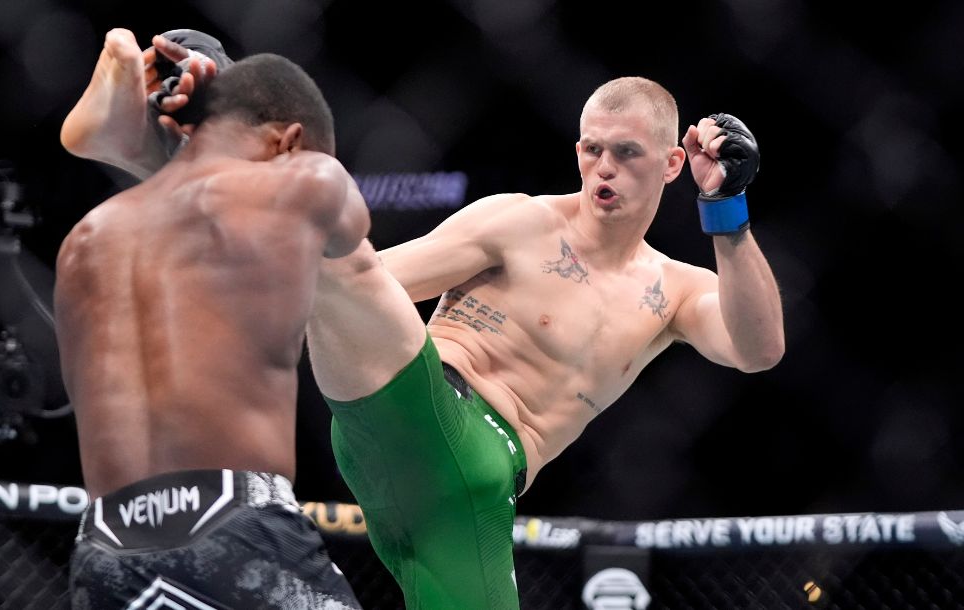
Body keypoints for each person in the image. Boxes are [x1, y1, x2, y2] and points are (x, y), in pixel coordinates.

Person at [71, 34, 785, 609]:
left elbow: (758, 350)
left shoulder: (674, 289)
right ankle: (195, 128)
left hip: (476, 495)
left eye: (626, 153)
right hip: (414, 402)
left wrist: (727, 215)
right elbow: (383, 280)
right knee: (338, 261)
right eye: (592, 148)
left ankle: (168, 152)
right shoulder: (518, 221)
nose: (604, 167)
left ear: (668, 165)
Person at [54, 28, 367, 609]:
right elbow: (349, 228)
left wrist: (165, 144)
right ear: (289, 140)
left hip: (103, 547)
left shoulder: (85, 240)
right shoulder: (302, 182)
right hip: (233, 525)